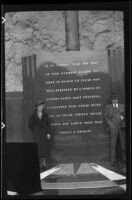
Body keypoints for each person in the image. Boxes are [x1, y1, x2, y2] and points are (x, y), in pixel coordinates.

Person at [28, 100, 51, 172]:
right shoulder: (34, 114)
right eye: (39, 106)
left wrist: (48, 133)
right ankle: (38, 164)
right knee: (37, 149)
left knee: (43, 149)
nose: (40, 107)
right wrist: (34, 130)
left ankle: (43, 164)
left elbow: (48, 125)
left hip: (44, 133)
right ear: (37, 107)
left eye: (42, 106)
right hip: (37, 134)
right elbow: (30, 124)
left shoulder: (45, 114)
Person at [104, 92, 125, 167]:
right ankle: (113, 161)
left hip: (121, 127)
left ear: (117, 99)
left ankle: (124, 159)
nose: (115, 101)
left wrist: (123, 118)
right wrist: (111, 125)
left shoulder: (122, 106)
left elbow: (125, 114)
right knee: (113, 145)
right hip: (113, 128)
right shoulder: (108, 107)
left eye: (115, 99)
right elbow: (106, 117)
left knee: (123, 144)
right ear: (111, 100)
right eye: (113, 100)